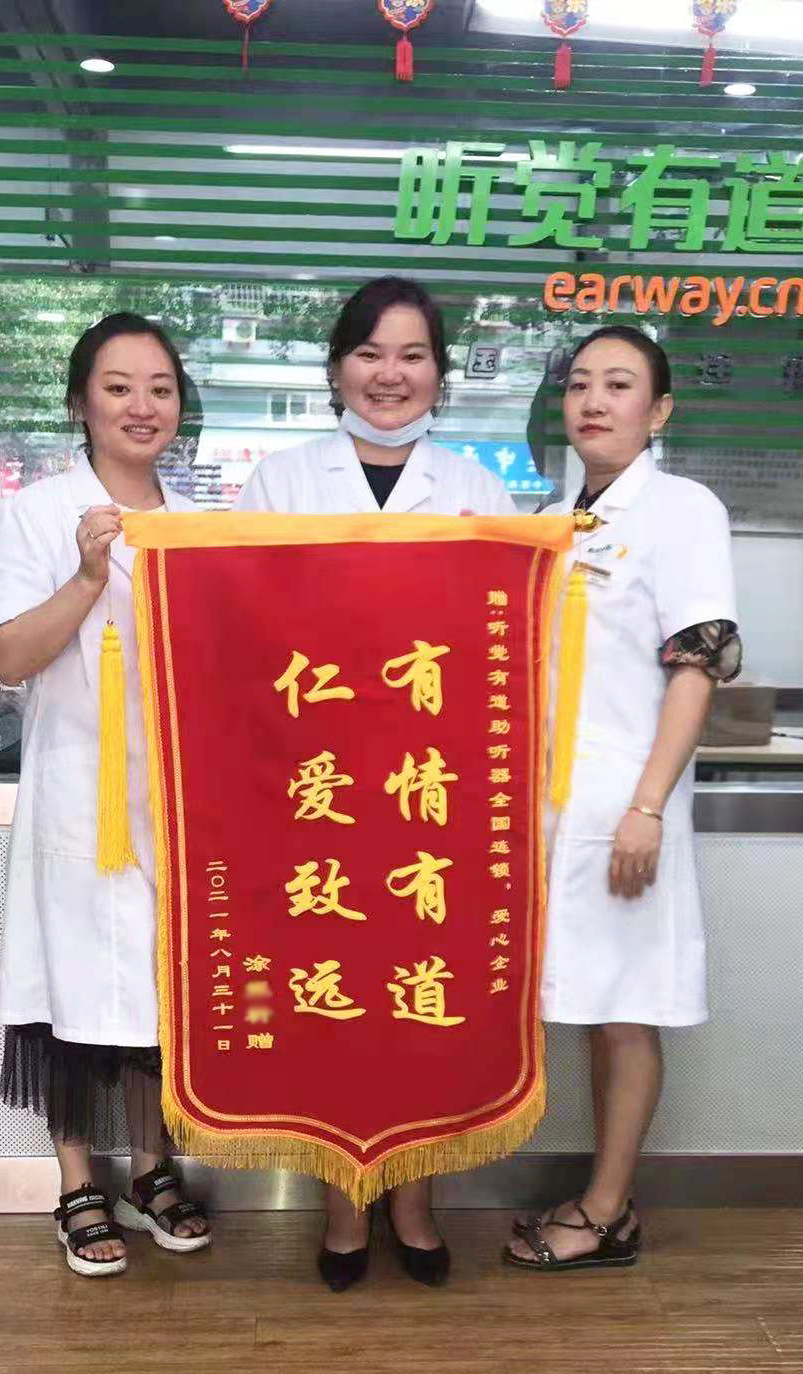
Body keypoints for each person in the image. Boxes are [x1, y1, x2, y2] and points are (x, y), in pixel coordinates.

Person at [236, 275, 516, 1291]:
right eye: (369, 353)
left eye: (412, 355)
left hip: (429, 792)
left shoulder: (480, 492)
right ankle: (343, 1207)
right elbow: (244, 635)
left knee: (423, 1004)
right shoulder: (279, 483)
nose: (389, 375)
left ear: (440, 372)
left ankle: (415, 1200)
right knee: (332, 1004)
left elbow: (506, 648)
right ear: (335, 368)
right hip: (317, 790)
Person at [504, 325, 741, 1273]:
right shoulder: (557, 518)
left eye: (619, 384)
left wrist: (646, 806)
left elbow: (698, 665)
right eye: (580, 385)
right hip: (557, 807)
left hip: (627, 807)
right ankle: (603, 1199)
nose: (594, 401)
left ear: (660, 409)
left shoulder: (681, 509)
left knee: (627, 1008)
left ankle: (607, 1212)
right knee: (593, 1001)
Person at [0, 313, 210, 1277]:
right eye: (118, 387)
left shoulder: (198, 526)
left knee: (164, 991)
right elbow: (8, 657)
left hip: (176, 801)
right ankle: (77, 1182)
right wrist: (86, 576)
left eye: (160, 388)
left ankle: (154, 1172)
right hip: (78, 793)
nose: (141, 406)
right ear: (81, 402)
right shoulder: (38, 512)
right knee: (68, 986)